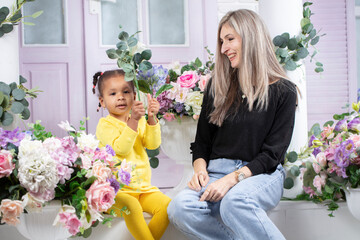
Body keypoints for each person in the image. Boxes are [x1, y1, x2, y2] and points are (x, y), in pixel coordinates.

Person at [167, 9, 297, 240]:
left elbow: (273, 154)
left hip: (260, 174)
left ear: (250, 37)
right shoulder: (218, 86)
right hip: (216, 172)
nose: (224, 48)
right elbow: (202, 143)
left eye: (230, 39)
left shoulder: (283, 91)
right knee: (179, 208)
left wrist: (232, 180)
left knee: (234, 201)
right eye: (221, 42)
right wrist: (199, 171)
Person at [93, 69, 171, 240]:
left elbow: (153, 145)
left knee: (166, 206)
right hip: (116, 193)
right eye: (113, 93)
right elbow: (121, 148)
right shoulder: (105, 125)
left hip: (143, 189)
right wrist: (134, 120)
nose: (120, 97)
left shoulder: (140, 120)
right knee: (132, 206)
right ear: (102, 101)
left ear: (134, 96)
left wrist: (151, 118)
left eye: (125, 92)